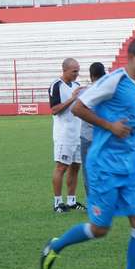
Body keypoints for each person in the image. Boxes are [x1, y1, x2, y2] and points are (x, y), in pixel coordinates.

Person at [40, 36, 135, 269]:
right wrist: (109, 127)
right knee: (100, 229)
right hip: (104, 166)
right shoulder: (114, 81)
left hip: (131, 165)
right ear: (132, 57)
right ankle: (56, 245)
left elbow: (125, 120)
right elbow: (79, 108)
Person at [48, 58, 85, 213]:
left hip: (78, 133)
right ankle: (58, 203)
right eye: (74, 71)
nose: (77, 74)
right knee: (61, 167)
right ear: (65, 70)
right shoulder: (56, 85)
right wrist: (72, 98)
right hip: (64, 134)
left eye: (78, 71)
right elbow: (54, 110)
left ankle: (71, 201)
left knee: (75, 167)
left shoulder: (77, 86)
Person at [80, 62, 106, 196]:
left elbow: (76, 110)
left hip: (87, 136)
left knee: (88, 171)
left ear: (91, 76)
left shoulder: (84, 92)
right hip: (105, 136)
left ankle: (92, 201)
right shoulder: (110, 92)